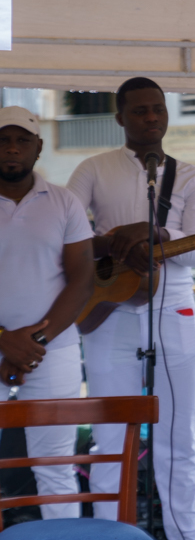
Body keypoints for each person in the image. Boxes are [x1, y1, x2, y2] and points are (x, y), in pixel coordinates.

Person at [66, 77, 195, 540]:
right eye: (139, 111)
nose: (151, 118)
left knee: (178, 439)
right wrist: (114, 242)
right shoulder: (93, 168)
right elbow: (65, 233)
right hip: (108, 311)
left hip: (172, 308)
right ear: (120, 117)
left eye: (158, 110)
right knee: (110, 437)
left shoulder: (191, 176)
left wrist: (159, 235)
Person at [0, 106, 94, 518]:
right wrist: (4, 341)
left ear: (38, 148)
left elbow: (82, 279)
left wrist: (32, 343)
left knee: (55, 467)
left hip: (51, 352)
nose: (12, 149)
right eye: (3, 140)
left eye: (22, 140)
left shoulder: (64, 202)